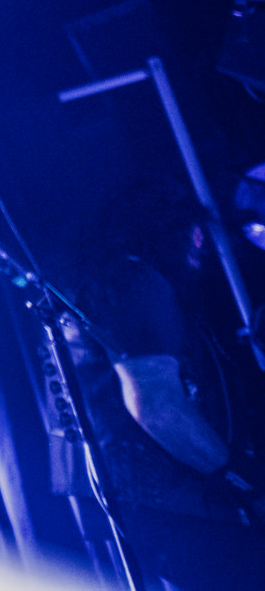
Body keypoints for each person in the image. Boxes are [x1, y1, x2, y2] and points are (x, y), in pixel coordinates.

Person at [65, 212, 265, 591]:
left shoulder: (123, 286)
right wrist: (246, 484)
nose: (202, 245)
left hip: (174, 508)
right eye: (195, 231)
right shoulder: (133, 282)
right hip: (184, 508)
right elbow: (157, 407)